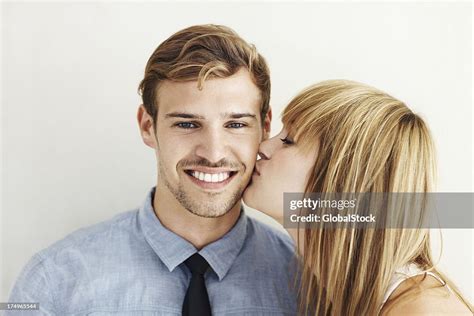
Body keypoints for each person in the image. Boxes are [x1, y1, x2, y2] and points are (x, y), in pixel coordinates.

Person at [7, 25, 297, 315]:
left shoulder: (308, 282)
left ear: (265, 126)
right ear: (147, 126)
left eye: (236, 125)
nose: (213, 153)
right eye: (186, 123)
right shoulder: (52, 282)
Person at [243, 79, 473, 315]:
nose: (262, 146)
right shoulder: (336, 295)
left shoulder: (422, 309)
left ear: (341, 180)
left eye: (288, 141)